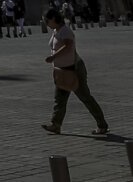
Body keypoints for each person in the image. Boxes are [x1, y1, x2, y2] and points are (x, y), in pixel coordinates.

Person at [41, 7, 108, 136]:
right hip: (62, 71)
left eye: (47, 21)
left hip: (74, 70)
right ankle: (55, 125)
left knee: (85, 97)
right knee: (59, 99)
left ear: (54, 19)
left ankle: (102, 125)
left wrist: (53, 57)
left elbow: (68, 46)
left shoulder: (65, 31)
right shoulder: (56, 31)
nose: (46, 24)